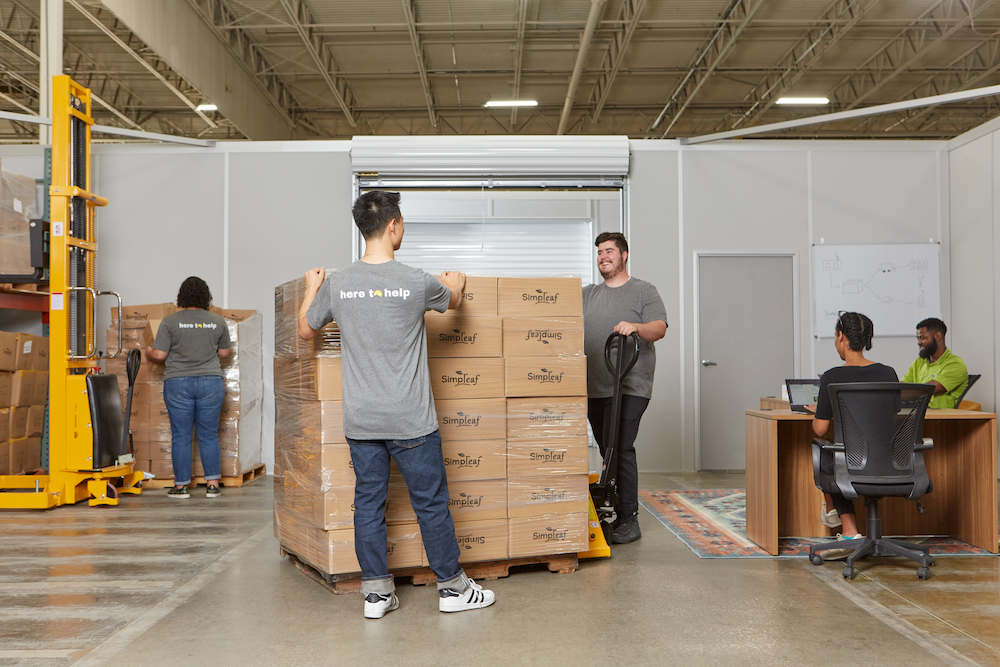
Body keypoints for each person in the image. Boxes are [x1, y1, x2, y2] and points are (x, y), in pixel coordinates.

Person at [298, 190, 496, 620]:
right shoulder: (416, 281)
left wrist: (313, 287)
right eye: (402, 222)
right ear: (392, 226)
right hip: (411, 421)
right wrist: (457, 285)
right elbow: (455, 302)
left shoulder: (338, 284)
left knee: (368, 504)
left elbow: (304, 329)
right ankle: (452, 588)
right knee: (430, 503)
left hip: (362, 421)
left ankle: (376, 595)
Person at [582, 232, 667, 544]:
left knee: (622, 445)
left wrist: (636, 328)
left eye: (609, 251)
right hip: (595, 386)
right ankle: (611, 508)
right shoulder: (588, 294)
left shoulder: (643, 290)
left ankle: (629, 518)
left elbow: (659, 327)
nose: (603, 257)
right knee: (608, 448)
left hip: (630, 384)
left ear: (624, 255)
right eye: (600, 252)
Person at [807, 311, 897, 559]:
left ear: (841, 337)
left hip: (851, 463)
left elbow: (820, 429)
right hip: (890, 462)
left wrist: (827, 409)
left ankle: (847, 528)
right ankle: (852, 530)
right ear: (867, 339)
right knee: (840, 456)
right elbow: (889, 417)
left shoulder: (832, 377)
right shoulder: (888, 373)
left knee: (827, 451)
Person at [145, 277, 231, 500]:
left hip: (178, 382)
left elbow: (159, 355)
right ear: (206, 297)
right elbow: (224, 354)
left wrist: (147, 351)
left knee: (181, 436)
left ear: (182, 296)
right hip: (211, 382)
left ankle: (181, 487)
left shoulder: (170, 321)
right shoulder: (218, 321)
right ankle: (212, 485)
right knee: (209, 435)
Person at [901, 318, 968, 409]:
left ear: (938, 336)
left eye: (923, 338)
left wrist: (892, 396)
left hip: (937, 417)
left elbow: (927, 390)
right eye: (918, 338)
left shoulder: (955, 365)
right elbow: (902, 385)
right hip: (917, 412)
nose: (919, 342)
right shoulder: (919, 362)